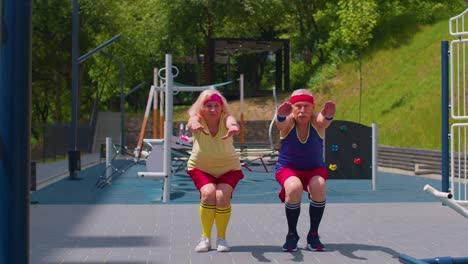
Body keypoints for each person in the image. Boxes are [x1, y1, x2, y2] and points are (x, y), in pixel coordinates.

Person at [274, 88, 336, 252]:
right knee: (294, 187)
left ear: (313, 108)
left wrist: (329, 114)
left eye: (306, 106)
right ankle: (292, 234)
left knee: (319, 185)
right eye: (298, 106)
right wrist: (279, 115)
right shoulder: (289, 121)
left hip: (314, 168)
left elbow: (324, 121)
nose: (302, 110)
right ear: (292, 108)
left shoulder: (316, 121)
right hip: (288, 168)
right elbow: (281, 124)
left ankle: (313, 235)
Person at [186, 88, 244, 253]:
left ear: (221, 107)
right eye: (208, 106)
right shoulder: (197, 118)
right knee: (208, 194)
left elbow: (231, 122)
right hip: (201, 168)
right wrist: (195, 124)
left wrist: (233, 128)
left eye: (216, 106)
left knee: (221, 196)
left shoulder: (227, 118)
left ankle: (221, 238)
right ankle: (205, 238)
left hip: (229, 168)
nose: (213, 109)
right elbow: (192, 122)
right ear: (202, 108)